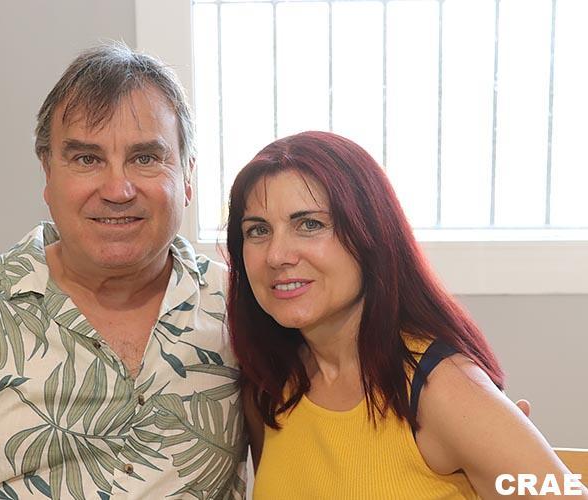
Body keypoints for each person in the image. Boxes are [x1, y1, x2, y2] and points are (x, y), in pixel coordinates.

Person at [0, 43, 246, 499]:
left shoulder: (240, 308)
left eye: (145, 158)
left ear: (188, 176)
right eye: (86, 159)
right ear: (48, 173)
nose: (117, 189)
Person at [225, 131, 587, 499]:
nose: (277, 255)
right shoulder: (269, 384)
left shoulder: (443, 388)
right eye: (258, 230)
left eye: (310, 224)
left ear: (371, 233)